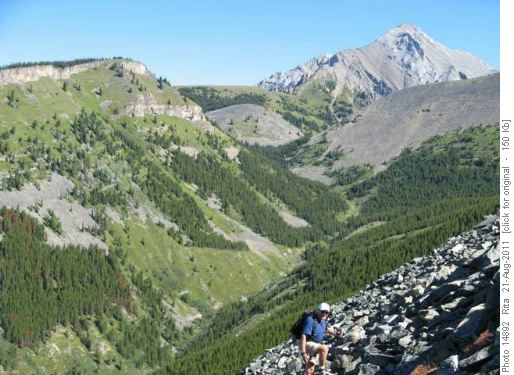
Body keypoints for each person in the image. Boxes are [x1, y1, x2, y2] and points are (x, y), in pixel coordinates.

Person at [298, 302, 342, 375]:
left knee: (310, 371)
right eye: (322, 312)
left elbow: (326, 329)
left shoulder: (323, 320)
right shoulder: (310, 319)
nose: (324, 314)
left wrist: (335, 334)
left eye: (326, 312)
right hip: (306, 343)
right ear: (318, 311)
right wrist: (303, 352)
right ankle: (321, 370)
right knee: (324, 349)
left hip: (315, 344)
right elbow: (304, 335)